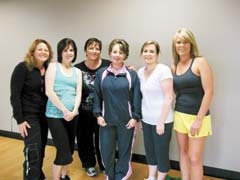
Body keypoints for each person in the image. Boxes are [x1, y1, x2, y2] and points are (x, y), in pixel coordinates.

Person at [93, 39, 142, 180]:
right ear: (109, 53)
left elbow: (136, 97)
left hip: (126, 122)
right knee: (106, 151)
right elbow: (97, 96)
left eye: (121, 52)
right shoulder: (101, 73)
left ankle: (121, 176)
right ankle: (110, 174)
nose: (117, 55)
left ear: (125, 55)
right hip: (106, 121)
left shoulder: (132, 75)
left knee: (125, 152)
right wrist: (98, 115)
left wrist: (135, 117)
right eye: (114, 51)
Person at [171, 28, 214, 180]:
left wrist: (198, 119)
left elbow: (209, 92)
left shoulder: (200, 62)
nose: (182, 45)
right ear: (174, 45)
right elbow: (177, 92)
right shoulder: (174, 66)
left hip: (198, 117)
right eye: (178, 42)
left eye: (185, 42)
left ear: (191, 44)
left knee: (194, 158)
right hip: (180, 114)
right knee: (182, 152)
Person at [10, 39, 53, 180]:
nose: (43, 52)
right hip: (29, 117)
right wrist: (20, 119)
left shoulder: (49, 70)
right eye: (40, 49)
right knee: (33, 152)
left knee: (41, 150)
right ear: (33, 52)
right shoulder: (23, 68)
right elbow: (15, 95)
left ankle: (37, 175)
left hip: (44, 117)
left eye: (46, 50)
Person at [45, 38, 82, 180]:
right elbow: (49, 91)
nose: (68, 53)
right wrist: (65, 111)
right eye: (65, 50)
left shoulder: (77, 71)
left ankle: (64, 176)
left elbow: (78, 92)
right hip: (55, 115)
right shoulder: (53, 67)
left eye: (71, 50)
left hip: (73, 115)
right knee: (63, 150)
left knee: (70, 149)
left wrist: (74, 111)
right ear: (60, 52)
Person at [138, 40, 174, 180]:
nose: (148, 54)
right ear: (142, 53)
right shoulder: (141, 72)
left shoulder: (163, 70)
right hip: (146, 119)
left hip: (163, 120)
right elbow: (141, 97)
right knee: (150, 151)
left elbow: (169, 97)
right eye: (145, 51)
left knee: (161, 152)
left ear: (157, 54)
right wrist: (141, 118)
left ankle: (160, 178)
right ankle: (151, 177)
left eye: (152, 51)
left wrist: (161, 122)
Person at [75, 38, 110, 176]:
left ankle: (104, 164)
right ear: (85, 50)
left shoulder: (108, 65)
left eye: (97, 48)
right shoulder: (77, 68)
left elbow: (121, 69)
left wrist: (129, 68)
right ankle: (88, 164)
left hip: (103, 111)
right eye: (91, 48)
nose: (94, 51)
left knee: (103, 139)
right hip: (83, 111)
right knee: (84, 139)